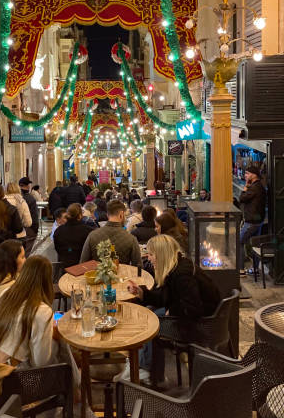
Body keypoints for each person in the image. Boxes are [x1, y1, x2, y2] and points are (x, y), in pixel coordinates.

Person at [127, 235, 220, 386]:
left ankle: (148, 372)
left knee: (151, 322)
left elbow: (194, 308)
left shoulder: (181, 275)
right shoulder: (176, 266)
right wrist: (143, 293)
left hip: (201, 324)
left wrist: (173, 310)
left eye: (150, 254)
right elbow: (166, 298)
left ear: (161, 255)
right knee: (151, 313)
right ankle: (149, 370)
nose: (148, 258)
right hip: (195, 316)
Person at [0, 256, 80, 384]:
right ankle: (76, 385)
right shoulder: (40, 311)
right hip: (14, 379)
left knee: (57, 341)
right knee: (61, 343)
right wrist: (54, 337)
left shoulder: (6, 293)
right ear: (47, 281)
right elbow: (42, 362)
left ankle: (76, 384)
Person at [80, 200, 141, 266]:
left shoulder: (92, 235)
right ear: (121, 214)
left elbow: (82, 264)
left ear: (107, 215)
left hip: (97, 275)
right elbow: (139, 267)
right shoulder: (131, 239)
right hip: (122, 275)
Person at [239, 165, 266, 275]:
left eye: (247, 174)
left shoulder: (254, 187)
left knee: (239, 242)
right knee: (255, 244)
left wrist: (245, 188)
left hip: (251, 222)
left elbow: (242, 198)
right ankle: (255, 269)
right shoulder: (259, 186)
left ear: (254, 175)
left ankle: (240, 270)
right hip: (258, 221)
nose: (245, 176)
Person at [53, 203, 94, 268]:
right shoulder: (88, 230)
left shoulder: (58, 230)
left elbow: (57, 248)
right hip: (83, 266)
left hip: (64, 264)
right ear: (80, 216)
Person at [19, 177, 39, 254]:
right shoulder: (30, 199)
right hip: (29, 227)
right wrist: (35, 228)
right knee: (26, 250)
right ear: (27, 186)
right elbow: (34, 215)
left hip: (18, 228)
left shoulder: (16, 198)